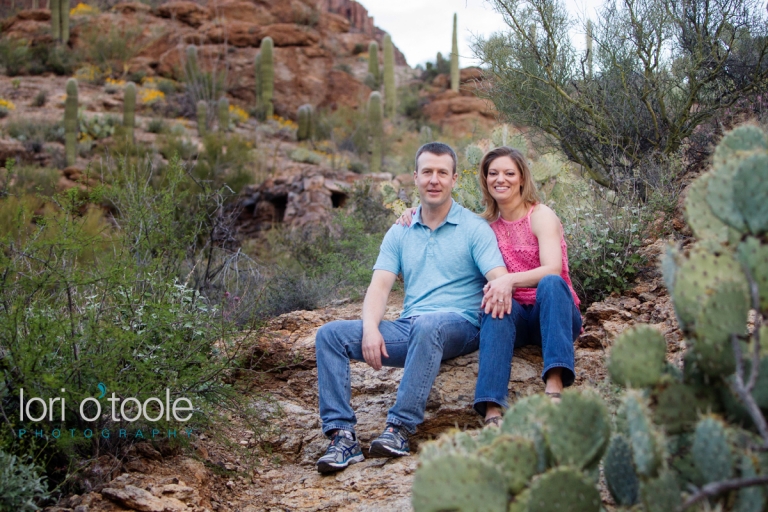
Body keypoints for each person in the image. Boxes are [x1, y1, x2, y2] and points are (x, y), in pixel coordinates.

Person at [314, 142, 508, 473]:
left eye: (442, 173)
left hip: (458, 326)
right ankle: (342, 438)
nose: (435, 180)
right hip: (411, 327)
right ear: (415, 177)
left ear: (454, 179)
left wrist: (502, 281)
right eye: (428, 172)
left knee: (428, 324)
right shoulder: (400, 231)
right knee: (330, 335)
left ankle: (399, 429)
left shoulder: (475, 228)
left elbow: (498, 276)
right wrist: (372, 329)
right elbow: (379, 286)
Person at [397, 146, 581, 428]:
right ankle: (492, 407)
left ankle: (555, 383)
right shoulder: (483, 226)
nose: (501, 179)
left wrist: (507, 280)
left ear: (521, 179)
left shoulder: (540, 215)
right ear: (485, 179)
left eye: (509, 173)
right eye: (493, 173)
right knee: (494, 304)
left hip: (555, 313)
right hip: (517, 317)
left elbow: (552, 268)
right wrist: (415, 212)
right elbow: (444, 220)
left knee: (552, 284)